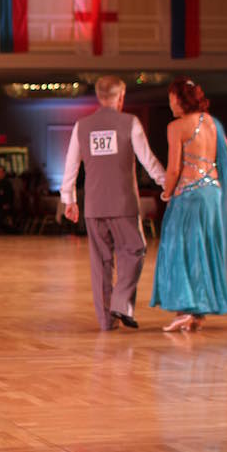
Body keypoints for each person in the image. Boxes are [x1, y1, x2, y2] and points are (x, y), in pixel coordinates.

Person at [62, 75, 166, 331]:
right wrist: (166, 182)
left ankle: (106, 320)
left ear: (99, 97)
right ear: (121, 97)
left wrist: (69, 199)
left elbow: (71, 166)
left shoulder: (81, 126)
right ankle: (120, 303)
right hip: (123, 204)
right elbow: (147, 160)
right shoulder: (129, 122)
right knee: (134, 250)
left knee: (101, 263)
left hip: (94, 206)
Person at [150, 77, 227, 331]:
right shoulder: (214, 124)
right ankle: (197, 314)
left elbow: (174, 169)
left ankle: (185, 308)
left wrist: (167, 193)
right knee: (205, 249)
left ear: (179, 99)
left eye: (171, 99)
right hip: (212, 195)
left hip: (187, 197)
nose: (170, 104)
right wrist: (216, 185)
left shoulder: (177, 127)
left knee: (180, 250)